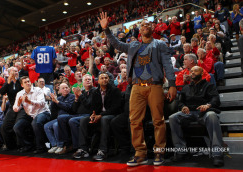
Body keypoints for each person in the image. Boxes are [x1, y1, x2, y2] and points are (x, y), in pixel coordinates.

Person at [98, 12, 177, 166]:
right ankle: (140, 153)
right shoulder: (134, 45)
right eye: (142, 25)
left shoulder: (160, 44)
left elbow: (167, 64)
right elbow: (117, 44)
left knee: (158, 121)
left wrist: (172, 84)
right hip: (136, 87)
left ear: (153, 28)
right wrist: (106, 30)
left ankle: (159, 152)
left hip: (154, 85)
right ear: (139, 30)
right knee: (134, 121)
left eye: (148, 24)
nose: (145, 26)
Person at [169, 66, 224, 167]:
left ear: (202, 72)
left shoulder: (209, 85)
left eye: (195, 71)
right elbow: (181, 102)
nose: (192, 72)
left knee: (212, 115)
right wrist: (183, 107)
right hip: (189, 113)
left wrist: (207, 105)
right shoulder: (186, 87)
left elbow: (216, 99)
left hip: (204, 112)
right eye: (191, 71)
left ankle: (217, 153)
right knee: (173, 118)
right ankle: (181, 151)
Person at [75, 73, 121, 161]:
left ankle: (103, 150)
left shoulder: (115, 90)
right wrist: (93, 115)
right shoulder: (96, 92)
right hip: (100, 115)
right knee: (84, 120)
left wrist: (100, 115)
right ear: (98, 81)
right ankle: (83, 149)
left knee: (104, 119)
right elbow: (94, 107)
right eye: (102, 78)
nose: (104, 79)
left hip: (112, 115)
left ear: (109, 79)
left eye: (106, 78)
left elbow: (116, 108)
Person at [57, 74, 95, 157]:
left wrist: (80, 95)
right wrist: (76, 99)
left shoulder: (94, 91)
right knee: (61, 118)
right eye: (86, 80)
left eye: (89, 79)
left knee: (72, 121)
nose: (88, 81)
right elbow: (74, 109)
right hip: (78, 114)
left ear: (92, 82)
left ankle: (78, 146)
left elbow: (89, 105)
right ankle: (67, 144)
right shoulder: (82, 92)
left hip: (88, 114)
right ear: (83, 83)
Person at [13, 76, 51, 153]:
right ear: (22, 85)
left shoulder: (38, 90)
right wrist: (18, 103)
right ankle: (28, 145)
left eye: (28, 81)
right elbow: (16, 109)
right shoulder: (19, 94)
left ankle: (41, 147)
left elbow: (42, 103)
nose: (28, 83)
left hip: (43, 112)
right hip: (31, 115)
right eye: (25, 82)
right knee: (17, 127)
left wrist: (29, 101)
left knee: (36, 123)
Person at [44, 83, 75, 154]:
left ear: (69, 89)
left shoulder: (72, 96)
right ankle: (54, 145)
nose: (65, 89)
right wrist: (53, 101)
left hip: (68, 117)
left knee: (55, 125)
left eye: (66, 87)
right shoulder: (59, 98)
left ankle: (60, 145)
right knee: (46, 126)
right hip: (58, 118)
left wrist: (57, 102)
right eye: (63, 88)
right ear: (60, 90)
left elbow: (69, 108)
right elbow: (54, 111)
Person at [0, 67, 23, 150]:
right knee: (5, 127)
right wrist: (8, 81)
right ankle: (11, 146)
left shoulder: (21, 81)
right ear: (9, 73)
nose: (15, 73)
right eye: (13, 72)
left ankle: (21, 145)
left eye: (16, 71)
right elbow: (2, 92)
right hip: (12, 106)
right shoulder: (8, 83)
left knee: (17, 125)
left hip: (22, 106)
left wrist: (16, 81)